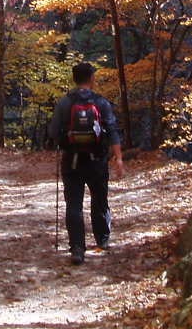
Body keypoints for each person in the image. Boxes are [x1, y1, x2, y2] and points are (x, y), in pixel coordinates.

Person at [48, 61, 125, 265]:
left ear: (74, 79)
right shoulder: (101, 103)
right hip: (97, 160)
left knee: (74, 204)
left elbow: (53, 133)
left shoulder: (65, 103)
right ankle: (102, 240)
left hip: (71, 161)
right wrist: (118, 158)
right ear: (92, 79)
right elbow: (113, 130)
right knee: (99, 200)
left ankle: (77, 249)